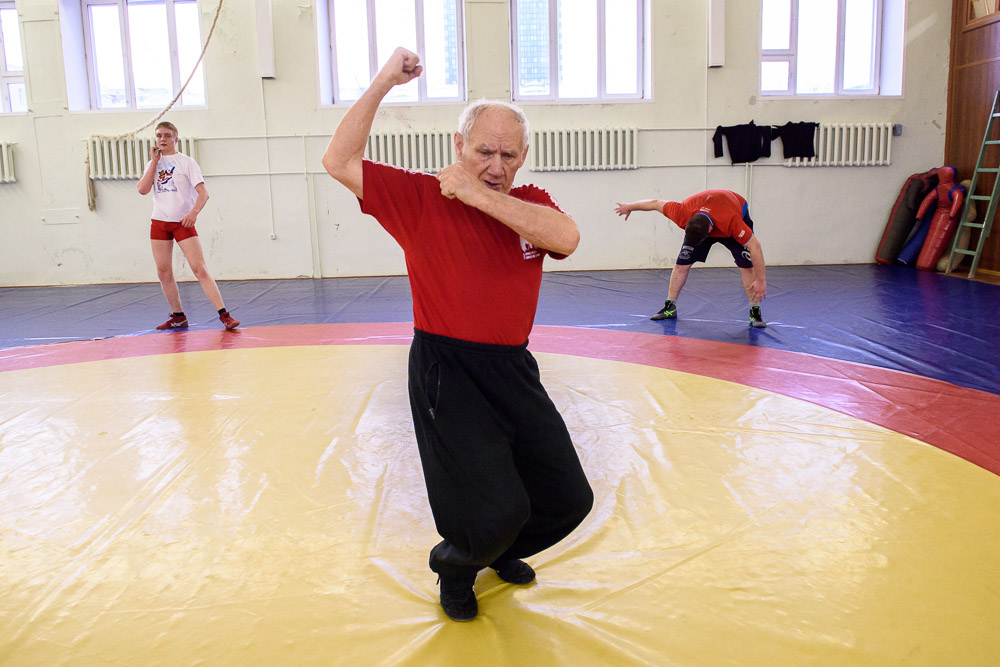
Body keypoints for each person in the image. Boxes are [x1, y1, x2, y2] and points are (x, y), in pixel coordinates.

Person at [322, 47, 593, 622]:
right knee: (491, 506)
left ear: (523, 157)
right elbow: (338, 159)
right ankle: (458, 564)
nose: (495, 164)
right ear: (458, 146)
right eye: (483, 152)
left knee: (570, 497)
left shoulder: (528, 203)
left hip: (513, 369)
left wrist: (480, 196)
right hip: (448, 368)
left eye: (508, 154)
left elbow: (567, 239)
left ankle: (499, 551)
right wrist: (382, 83)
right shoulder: (421, 198)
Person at [137, 121, 239, 331]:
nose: (162, 139)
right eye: (158, 136)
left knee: (199, 269)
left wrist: (193, 213)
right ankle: (178, 315)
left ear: (176, 138)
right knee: (163, 272)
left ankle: (224, 315)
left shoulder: (186, 162)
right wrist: (154, 163)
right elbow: (142, 189)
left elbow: (204, 194)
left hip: (182, 222)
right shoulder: (152, 164)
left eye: (166, 135)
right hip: (159, 221)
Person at [615, 190, 768, 327]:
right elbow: (655, 203)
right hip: (703, 219)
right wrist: (629, 206)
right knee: (682, 264)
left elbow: (755, 247)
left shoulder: (732, 222)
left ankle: (755, 311)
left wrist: (760, 280)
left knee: (746, 267)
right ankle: (670, 307)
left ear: (709, 231)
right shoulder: (681, 211)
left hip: (733, 209)